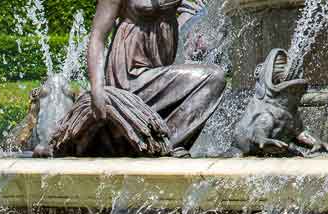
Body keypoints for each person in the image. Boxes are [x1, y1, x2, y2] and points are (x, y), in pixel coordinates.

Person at [88, 0, 226, 156]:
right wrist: (96, 87)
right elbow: (97, 36)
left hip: (158, 72)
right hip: (129, 76)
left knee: (214, 80)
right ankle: (164, 147)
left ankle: (165, 144)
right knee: (214, 77)